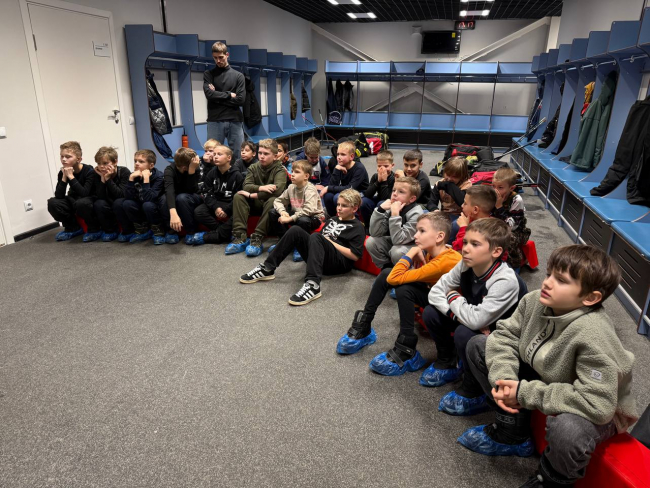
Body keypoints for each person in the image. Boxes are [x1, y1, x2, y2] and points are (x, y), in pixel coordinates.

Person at [459, 245, 638, 488]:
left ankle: (551, 479)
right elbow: (504, 337)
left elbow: (597, 404)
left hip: (599, 404)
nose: (547, 283)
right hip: (552, 377)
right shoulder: (534, 301)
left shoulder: (594, 333)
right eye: (549, 274)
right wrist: (505, 379)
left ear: (590, 298)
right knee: (480, 345)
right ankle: (513, 434)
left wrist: (523, 393)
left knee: (569, 430)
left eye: (561, 280)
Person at [422, 218, 527, 416]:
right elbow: (435, 293)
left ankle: (474, 388)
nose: (465, 249)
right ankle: (448, 361)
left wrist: (453, 296)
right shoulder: (466, 264)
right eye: (465, 242)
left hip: (504, 337)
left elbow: (475, 320)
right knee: (431, 313)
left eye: (475, 244)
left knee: (465, 332)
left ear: (496, 251)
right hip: (475, 319)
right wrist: (458, 314)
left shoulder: (505, 280)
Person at [337, 212, 462, 372]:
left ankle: (407, 346)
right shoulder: (434, 253)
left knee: (399, 284)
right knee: (387, 274)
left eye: (422, 231)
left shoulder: (446, 261)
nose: (415, 235)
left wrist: (411, 252)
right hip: (438, 299)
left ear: (439, 236)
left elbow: (395, 278)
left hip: (455, 314)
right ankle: (365, 324)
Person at [240, 189, 365, 306]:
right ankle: (267, 268)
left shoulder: (358, 227)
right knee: (295, 230)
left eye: (344, 206)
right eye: (338, 204)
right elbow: (320, 242)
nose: (339, 208)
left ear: (354, 208)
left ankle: (313, 285)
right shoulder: (333, 219)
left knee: (316, 236)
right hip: (321, 257)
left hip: (338, 263)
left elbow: (355, 255)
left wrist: (330, 242)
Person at [226, 138, 288, 257]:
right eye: (260, 153)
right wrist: (261, 188)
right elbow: (246, 186)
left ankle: (257, 238)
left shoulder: (280, 169)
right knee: (239, 196)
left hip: (270, 205)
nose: (262, 156)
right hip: (256, 203)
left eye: (266, 154)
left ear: (275, 156)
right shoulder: (253, 167)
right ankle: (240, 237)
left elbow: (277, 191)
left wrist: (253, 194)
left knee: (273, 200)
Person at [268, 160, 325, 262]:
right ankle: (285, 242)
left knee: (303, 220)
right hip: (298, 214)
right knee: (273, 212)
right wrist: (282, 212)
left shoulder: (310, 189)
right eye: (292, 172)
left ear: (306, 176)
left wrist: (290, 218)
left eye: (297, 172)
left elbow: (309, 210)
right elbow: (278, 201)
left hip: (313, 217)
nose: (293, 174)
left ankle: (299, 246)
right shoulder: (291, 187)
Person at [366, 177, 424, 269]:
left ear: (412, 199)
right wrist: (380, 210)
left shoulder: (416, 214)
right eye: (394, 190)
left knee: (396, 251)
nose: (394, 194)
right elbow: (374, 233)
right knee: (371, 242)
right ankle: (386, 269)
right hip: (397, 241)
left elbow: (399, 240)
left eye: (401, 192)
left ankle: (405, 274)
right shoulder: (393, 206)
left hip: (413, 246)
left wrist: (395, 215)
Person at [191, 145, 244, 246]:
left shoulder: (237, 175)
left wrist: (227, 210)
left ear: (229, 158)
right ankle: (221, 231)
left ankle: (216, 235)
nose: (215, 156)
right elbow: (206, 192)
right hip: (216, 202)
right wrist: (216, 207)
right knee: (198, 212)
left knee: (238, 214)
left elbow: (240, 196)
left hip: (231, 203)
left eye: (219, 154)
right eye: (214, 154)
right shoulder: (211, 173)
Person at [203, 42, 245, 160]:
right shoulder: (208, 74)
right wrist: (229, 95)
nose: (218, 60)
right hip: (215, 120)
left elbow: (241, 100)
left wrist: (217, 96)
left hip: (234, 120)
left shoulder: (238, 76)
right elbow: (209, 95)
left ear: (227, 55)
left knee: (238, 155)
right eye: (215, 58)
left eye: (221, 57)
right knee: (213, 155)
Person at [47, 141, 97, 241]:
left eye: (68, 157)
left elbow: (84, 193)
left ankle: (93, 229)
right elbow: (59, 195)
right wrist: (64, 177)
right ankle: (73, 228)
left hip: (90, 199)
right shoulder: (63, 171)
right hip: (75, 199)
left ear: (78, 159)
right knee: (53, 202)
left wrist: (71, 176)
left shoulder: (89, 171)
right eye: (62, 156)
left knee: (81, 202)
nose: (63, 159)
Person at [114, 149, 165, 243]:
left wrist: (146, 179)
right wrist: (131, 179)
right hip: (140, 206)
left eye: (141, 161)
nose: (136, 164)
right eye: (135, 161)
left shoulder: (159, 177)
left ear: (151, 165)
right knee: (126, 203)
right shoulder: (134, 175)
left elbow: (149, 198)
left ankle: (158, 231)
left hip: (154, 208)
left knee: (147, 205)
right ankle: (142, 230)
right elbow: (128, 197)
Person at [492, 167, 531, 271]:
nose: (495, 190)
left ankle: (515, 265)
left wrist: (499, 207)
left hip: (517, 231)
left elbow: (511, 227)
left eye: (500, 187)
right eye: (493, 186)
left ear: (511, 188)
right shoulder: (493, 195)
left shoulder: (516, 200)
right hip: (497, 225)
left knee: (509, 239)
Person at [160, 147, 201, 245]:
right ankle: (171, 231)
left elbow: (191, 190)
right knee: (164, 199)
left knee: (182, 198)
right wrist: (173, 214)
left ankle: (190, 231)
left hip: (191, 196)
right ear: (184, 167)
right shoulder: (169, 170)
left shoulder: (194, 167)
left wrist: (191, 170)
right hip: (176, 195)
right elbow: (169, 191)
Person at [90, 146, 131, 242]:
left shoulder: (124, 171)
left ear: (115, 162)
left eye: (105, 163)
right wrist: (102, 178)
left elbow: (121, 194)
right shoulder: (97, 174)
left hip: (121, 201)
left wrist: (108, 179)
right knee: (99, 203)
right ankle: (110, 231)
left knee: (118, 202)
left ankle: (127, 231)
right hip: (108, 202)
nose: (101, 166)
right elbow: (100, 196)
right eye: (98, 163)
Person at [427, 156, 472, 242]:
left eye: (454, 177)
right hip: (444, 214)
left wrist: (449, 185)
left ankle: (446, 243)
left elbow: (461, 201)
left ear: (462, 176)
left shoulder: (467, 185)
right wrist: (435, 210)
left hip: (459, 216)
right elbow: (431, 202)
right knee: (423, 214)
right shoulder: (439, 183)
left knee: (455, 225)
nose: (449, 179)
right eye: (447, 175)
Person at [321, 141, 369, 217]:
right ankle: (333, 218)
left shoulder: (359, 168)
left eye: (343, 154)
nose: (339, 157)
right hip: (346, 191)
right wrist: (336, 170)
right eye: (338, 154)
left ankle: (349, 218)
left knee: (337, 197)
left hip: (360, 193)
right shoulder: (340, 165)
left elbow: (350, 188)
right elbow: (332, 185)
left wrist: (328, 187)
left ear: (351, 156)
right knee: (328, 195)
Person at [451, 185, 498, 252]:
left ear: (475, 209)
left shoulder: (490, 230)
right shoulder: (470, 220)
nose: (462, 205)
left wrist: (463, 228)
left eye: (465, 203)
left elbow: (462, 250)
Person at [360, 150, 395, 226]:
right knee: (363, 201)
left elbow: (386, 198)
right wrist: (378, 181)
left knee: (380, 203)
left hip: (389, 202)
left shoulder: (394, 178)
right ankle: (368, 225)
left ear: (392, 165)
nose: (383, 169)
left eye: (386, 166)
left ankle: (378, 226)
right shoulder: (375, 176)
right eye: (379, 166)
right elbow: (367, 194)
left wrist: (384, 181)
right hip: (379, 198)